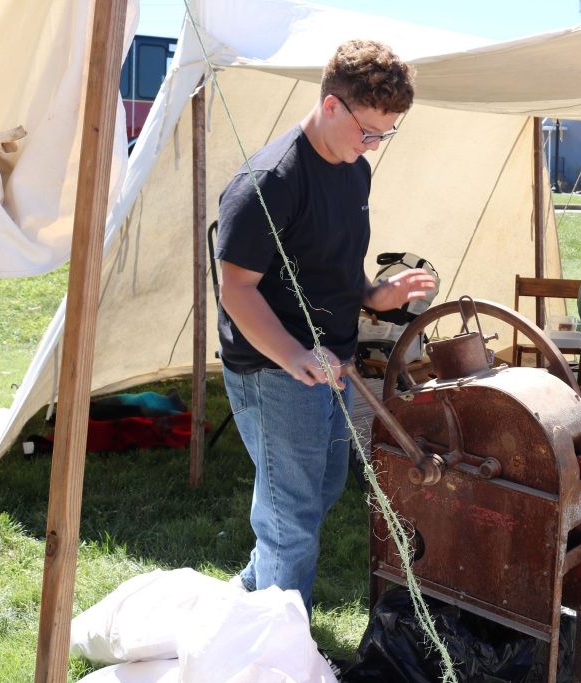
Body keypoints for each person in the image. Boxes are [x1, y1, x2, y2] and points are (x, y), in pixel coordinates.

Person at [215, 39, 435, 616]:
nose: (374, 146)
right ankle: (280, 657)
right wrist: (293, 356)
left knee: (323, 488)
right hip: (275, 368)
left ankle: (250, 604)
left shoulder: (354, 171)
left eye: (385, 135)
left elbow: (334, 264)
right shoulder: (269, 181)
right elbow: (235, 289)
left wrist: (375, 295)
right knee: (292, 519)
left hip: (329, 363)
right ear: (332, 105)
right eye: (368, 131)